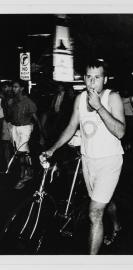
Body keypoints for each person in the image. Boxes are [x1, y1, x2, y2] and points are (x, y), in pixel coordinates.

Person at [40, 59, 125, 254]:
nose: (92, 82)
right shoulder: (79, 99)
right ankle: (116, 223)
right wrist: (52, 149)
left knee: (95, 212)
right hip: (88, 161)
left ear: (105, 79)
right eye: (89, 77)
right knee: (102, 200)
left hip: (109, 160)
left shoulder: (112, 98)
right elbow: (71, 127)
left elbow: (120, 132)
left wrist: (99, 108)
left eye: (97, 77)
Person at [8, 79, 44, 189]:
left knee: (22, 151)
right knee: (19, 152)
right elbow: (11, 115)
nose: (13, 89)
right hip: (15, 127)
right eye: (13, 87)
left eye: (16, 87)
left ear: (22, 88)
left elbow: (36, 118)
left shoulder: (28, 102)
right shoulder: (13, 101)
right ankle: (25, 171)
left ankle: (28, 174)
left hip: (25, 128)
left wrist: (42, 134)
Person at [0, 81, 13, 171]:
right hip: (4, 122)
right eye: (5, 87)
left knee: (8, 145)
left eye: (8, 87)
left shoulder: (10, 98)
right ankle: (8, 165)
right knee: (5, 145)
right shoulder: (3, 99)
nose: (7, 89)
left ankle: (10, 165)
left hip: (9, 123)